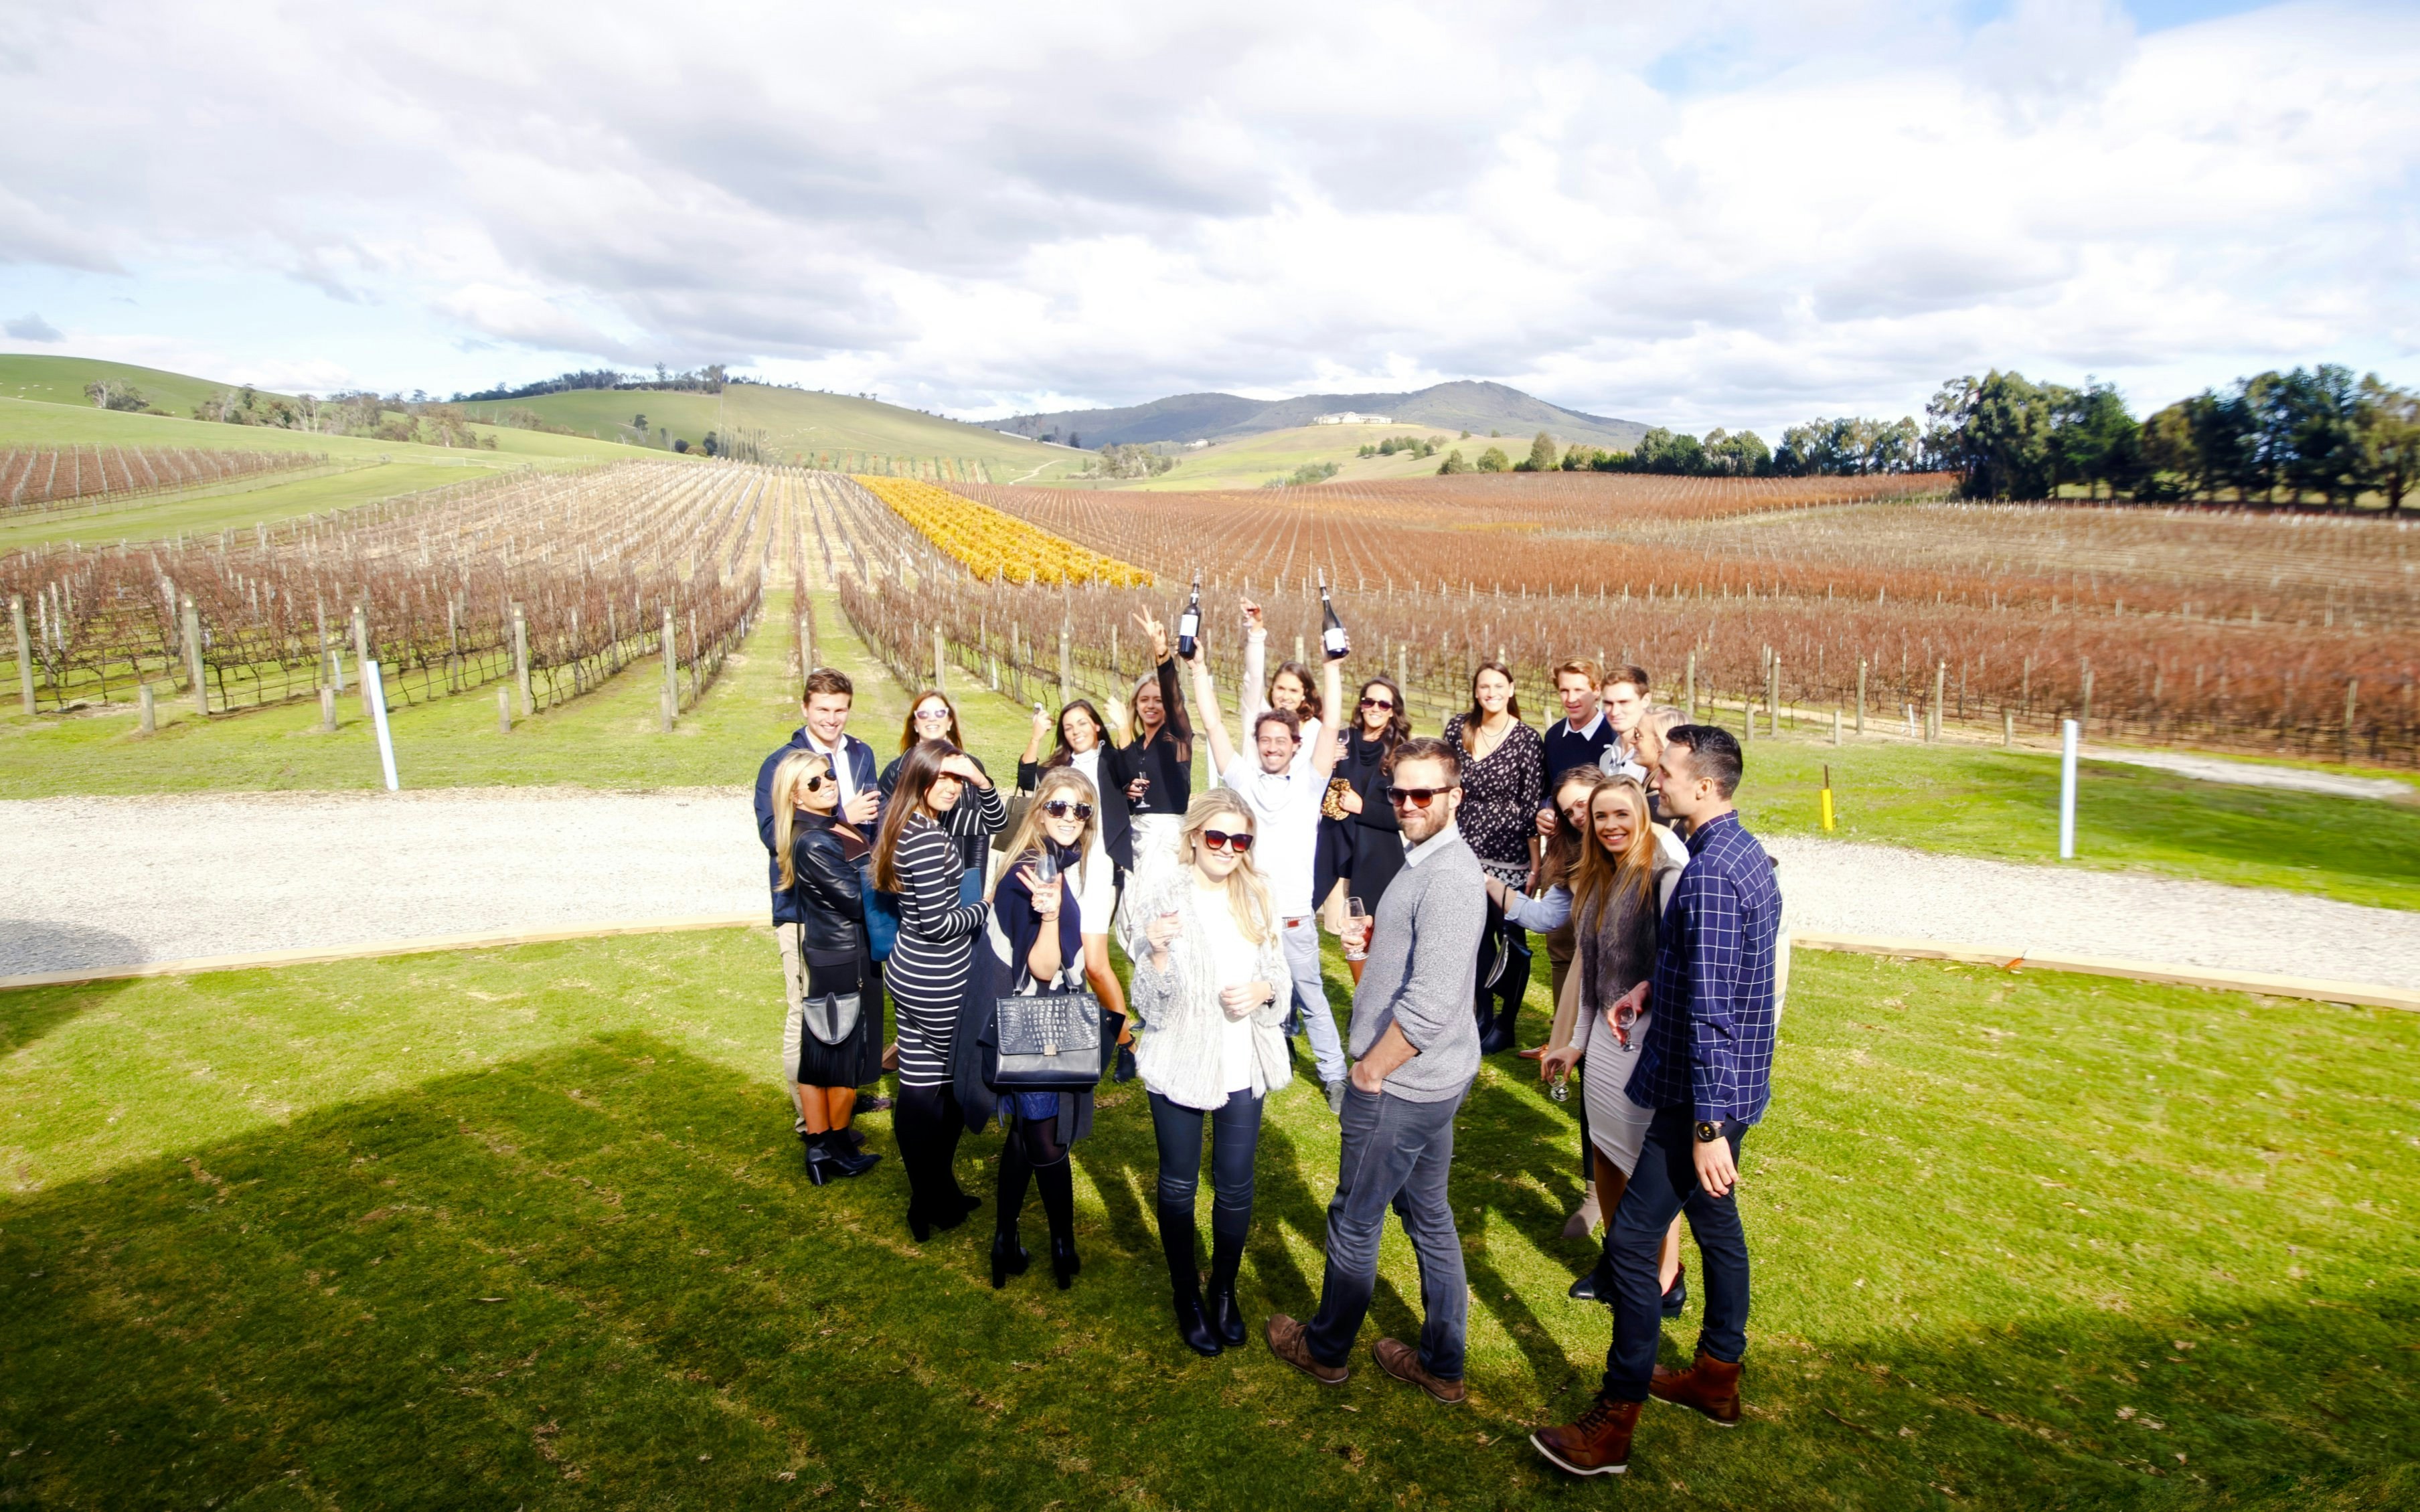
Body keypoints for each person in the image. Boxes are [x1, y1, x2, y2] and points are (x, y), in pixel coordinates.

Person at [1532, 726, 1782, 1478]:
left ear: (1702, 786)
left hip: (1696, 1099)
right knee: (1716, 1221)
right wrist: (1649, 988)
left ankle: (1614, 1423)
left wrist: (1706, 1128)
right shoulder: (1741, 855)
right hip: (1734, 1090)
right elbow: (1719, 977)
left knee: (1635, 1246)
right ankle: (1717, 1375)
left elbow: (1713, 1013)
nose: (1655, 781)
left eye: (1665, 772)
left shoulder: (1705, 876)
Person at [1266, 736, 1486, 1406]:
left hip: (1402, 1084)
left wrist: (1369, 1073)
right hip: (1434, 1080)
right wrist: (1371, 953)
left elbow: (1429, 1004)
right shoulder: (1425, 860)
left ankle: (1326, 1349)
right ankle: (1443, 1365)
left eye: (1425, 794)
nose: (1409, 805)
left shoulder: (1448, 875)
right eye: (1399, 793)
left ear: (1455, 797)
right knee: (1430, 1216)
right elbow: (1416, 974)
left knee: (1356, 1218)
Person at [1122, 791, 1292, 1357]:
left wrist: (1264, 990)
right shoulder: (1163, 896)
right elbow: (1149, 1003)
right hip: (1179, 1055)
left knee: (1236, 1185)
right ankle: (1185, 1295)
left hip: (1242, 1058)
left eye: (1239, 840)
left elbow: (1280, 977)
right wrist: (1159, 955)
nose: (1227, 849)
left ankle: (1222, 1289)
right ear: (1194, 835)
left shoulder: (1257, 893)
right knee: (1177, 1184)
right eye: (1216, 837)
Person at [1535, 776, 1688, 1301]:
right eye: (1601, 817)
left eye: (1621, 814)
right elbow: (1592, 981)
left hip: (1646, 1045)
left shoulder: (1665, 880)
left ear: (1642, 817)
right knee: (1603, 1153)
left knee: (1649, 1167)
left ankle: (1665, 1277)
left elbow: (1682, 974)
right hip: (1602, 1041)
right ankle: (1617, 1261)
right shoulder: (1597, 882)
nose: (1610, 825)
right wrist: (1575, 1043)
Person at [1187, 620, 1350, 1112]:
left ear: (1296, 744)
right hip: (1249, 915)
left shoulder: (1309, 784)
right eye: (1266, 740)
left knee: (1312, 998)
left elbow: (1335, 718)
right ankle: (1245, 1065)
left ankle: (1335, 1076)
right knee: (1239, 994)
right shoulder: (1240, 779)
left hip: (1295, 918)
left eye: (1282, 740)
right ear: (1258, 744)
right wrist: (1197, 667)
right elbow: (1213, 724)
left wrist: (1331, 669)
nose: (1273, 746)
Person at [954, 766, 1107, 1290]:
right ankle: (1063, 1244)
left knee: (1024, 1133)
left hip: (1020, 1026)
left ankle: (1003, 1238)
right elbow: (1042, 969)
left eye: (1081, 809)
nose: (1070, 817)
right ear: (1039, 810)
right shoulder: (1034, 870)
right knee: (1047, 1141)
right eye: (1059, 807)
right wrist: (1049, 916)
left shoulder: (1046, 861)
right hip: (1037, 1030)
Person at [874, 738, 1008, 1242]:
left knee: (920, 1081)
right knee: (952, 1085)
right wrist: (986, 905)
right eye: (942, 777)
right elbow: (937, 922)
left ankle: (931, 1194)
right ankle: (931, 1192)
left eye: (958, 779)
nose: (951, 788)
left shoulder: (907, 823)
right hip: (938, 977)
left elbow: (995, 819)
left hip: (910, 971)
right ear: (919, 778)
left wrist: (975, 775)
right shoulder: (926, 837)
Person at [756, 668, 888, 1127]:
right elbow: (773, 833)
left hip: (854, 905)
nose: (832, 719)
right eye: (823, 710)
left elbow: (872, 828)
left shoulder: (862, 752)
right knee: (808, 1012)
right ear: (805, 709)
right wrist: (841, 815)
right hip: (805, 909)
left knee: (855, 1009)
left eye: (840, 709)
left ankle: (844, 1099)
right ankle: (807, 1118)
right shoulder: (781, 762)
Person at [769, 750, 885, 1184]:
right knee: (841, 1059)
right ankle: (832, 1144)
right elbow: (856, 901)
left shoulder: (831, 825)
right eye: (815, 782)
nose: (828, 783)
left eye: (829, 774)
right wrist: (893, 876)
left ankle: (823, 1147)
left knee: (824, 1055)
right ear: (795, 795)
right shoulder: (814, 839)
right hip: (841, 957)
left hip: (838, 953)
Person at [1020, 697, 1135, 1076]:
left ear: (1096, 726)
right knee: (1068, 962)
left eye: (1083, 723)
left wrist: (1123, 725)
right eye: (1069, 727)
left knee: (1097, 965)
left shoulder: (1111, 760)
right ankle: (1073, 1040)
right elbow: (1025, 780)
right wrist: (1036, 738)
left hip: (1100, 871)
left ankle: (1127, 1044)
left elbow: (1132, 767)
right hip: (1066, 871)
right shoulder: (1060, 767)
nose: (1077, 731)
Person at [1443, 662, 1545, 1055]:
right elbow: (1447, 783)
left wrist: (1535, 866)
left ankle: (1508, 1022)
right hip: (1465, 847)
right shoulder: (1459, 728)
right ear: (1476, 691)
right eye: (1484, 686)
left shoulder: (1526, 740)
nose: (1490, 693)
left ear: (1511, 689)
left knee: (1512, 939)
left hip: (1510, 855)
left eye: (1498, 686)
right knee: (1475, 935)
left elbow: (1531, 804)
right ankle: (1482, 1013)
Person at [1319, 673, 1413, 930]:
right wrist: (1325, 766)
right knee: (1347, 940)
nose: (1375, 708)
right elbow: (1313, 789)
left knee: (1375, 941)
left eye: (1383, 704)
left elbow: (1406, 816)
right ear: (1361, 705)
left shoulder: (1403, 754)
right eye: (1369, 702)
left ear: (1393, 711)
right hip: (1336, 857)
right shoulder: (1340, 740)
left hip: (1376, 863)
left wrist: (1362, 808)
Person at [882, 689, 999, 873]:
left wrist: (975, 880)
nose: (932, 719)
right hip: (915, 875)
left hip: (959, 871)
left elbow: (981, 835)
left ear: (950, 721)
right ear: (915, 724)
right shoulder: (896, 771)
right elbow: (884, 832)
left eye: (939, 713)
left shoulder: (971, 766)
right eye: (923, 714)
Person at [1117, 608, 1195, 884]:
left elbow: (1175, 699)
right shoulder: (1132, 744)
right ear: (1136, 705)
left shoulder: (1177, 737)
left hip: (1168, 837)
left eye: (1158, 700)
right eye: (1144, 700)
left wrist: (1162, 655)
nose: (1151, 706)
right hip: (1135, 833)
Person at [1236, 598, 1323, 774]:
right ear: (1272, 689)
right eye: (1281, 689)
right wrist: (1257, 629)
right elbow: (1253, 677)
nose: (1285, 697)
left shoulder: (1314, 728)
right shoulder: (1257, 713)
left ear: (1304, 694)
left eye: (1293, 691)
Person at [1595, 666, 1654, 784]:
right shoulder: (1606, 758)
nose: (1614, 712)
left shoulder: (1655, 756)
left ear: (1646, 700)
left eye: (1624, 702)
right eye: (1608, 703)